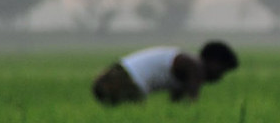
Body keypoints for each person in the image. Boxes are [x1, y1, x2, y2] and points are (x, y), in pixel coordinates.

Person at [92, 40, 239, 105]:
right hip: (122, 81)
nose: (220, 77)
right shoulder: (195, 67)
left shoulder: (186, 66)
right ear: (213, 61)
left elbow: (177, 105)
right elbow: (191, 102)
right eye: (222, 70)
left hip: (108, 77)